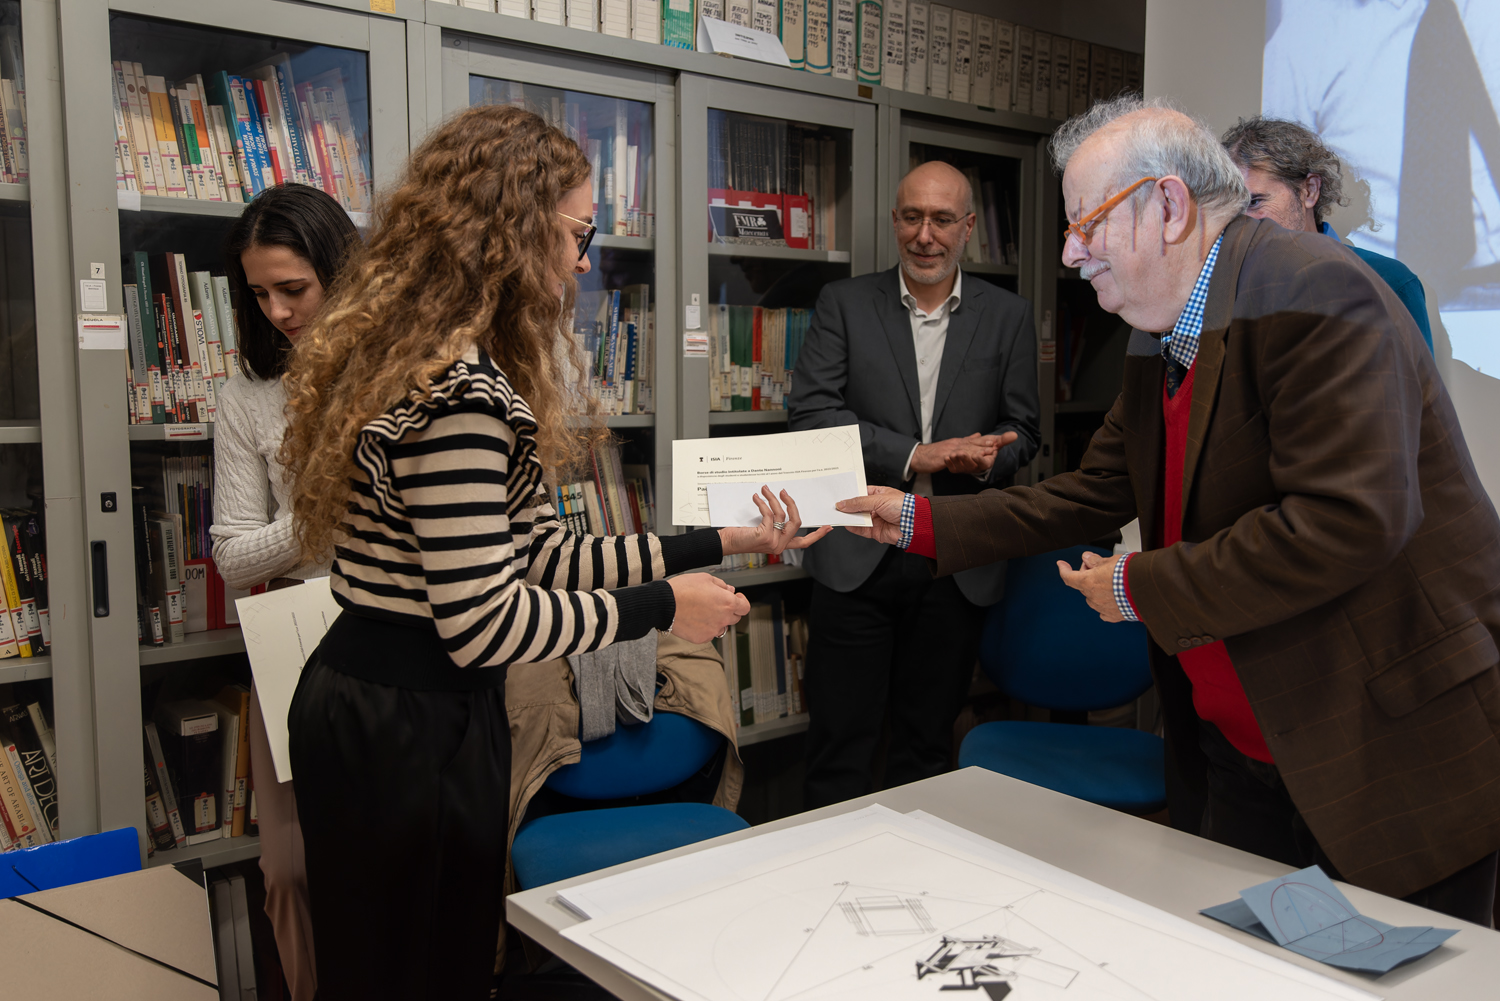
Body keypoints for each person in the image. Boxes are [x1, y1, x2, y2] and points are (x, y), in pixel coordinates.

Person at [837, 95, 1500, 925]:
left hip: (1378, 749)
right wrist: (915, 520)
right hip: (1244, 749)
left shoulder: (1318, 291)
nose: (1071, 252)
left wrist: (1138, 586)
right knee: (1246, 968)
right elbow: (1093, 490)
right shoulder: (1162, 330)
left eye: (1088, 223)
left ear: (1171, 206)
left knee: (1380, 974)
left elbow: (1345, 522)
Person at [278, 104, 829, 999]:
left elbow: (542, 554)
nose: (582, 261)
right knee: (415, 971)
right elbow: (482, 621)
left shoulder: (448, 366)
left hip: (398, 701)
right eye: (577, 234)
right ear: (513, 229)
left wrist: (725, 539)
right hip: (404, 721)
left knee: (416, 961)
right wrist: (665, 608)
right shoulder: (461, 395)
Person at [788, 160, 1040, 809]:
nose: (925, 235)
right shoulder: (845, 304)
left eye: (942, 220)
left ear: (968, 227)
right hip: (855, 553)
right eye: (912, 217)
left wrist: (986, 460)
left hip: (952, 558)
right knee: (838, 746)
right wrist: (918, 455)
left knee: (927, 749)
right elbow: (811, 416)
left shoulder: (1008, 315)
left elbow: (1025, 431)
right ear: (895, 220)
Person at [211, 183, 360, 1001]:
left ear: (340, 270)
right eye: (259, 293)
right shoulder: (246, 398)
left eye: (293, 288)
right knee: (291, 868)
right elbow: (234, 556)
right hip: (295, 639)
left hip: (407, 627)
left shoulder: (401, 369)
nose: (277, 311)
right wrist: (318, 512)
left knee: (402, 850)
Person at [1220, 115, 1434, 354]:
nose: (1243, 222)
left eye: (1255, 202)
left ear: (1309, 190)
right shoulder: (1222, 288)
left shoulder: (1388, 282)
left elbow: (1416, 378)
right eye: (1233, 209)